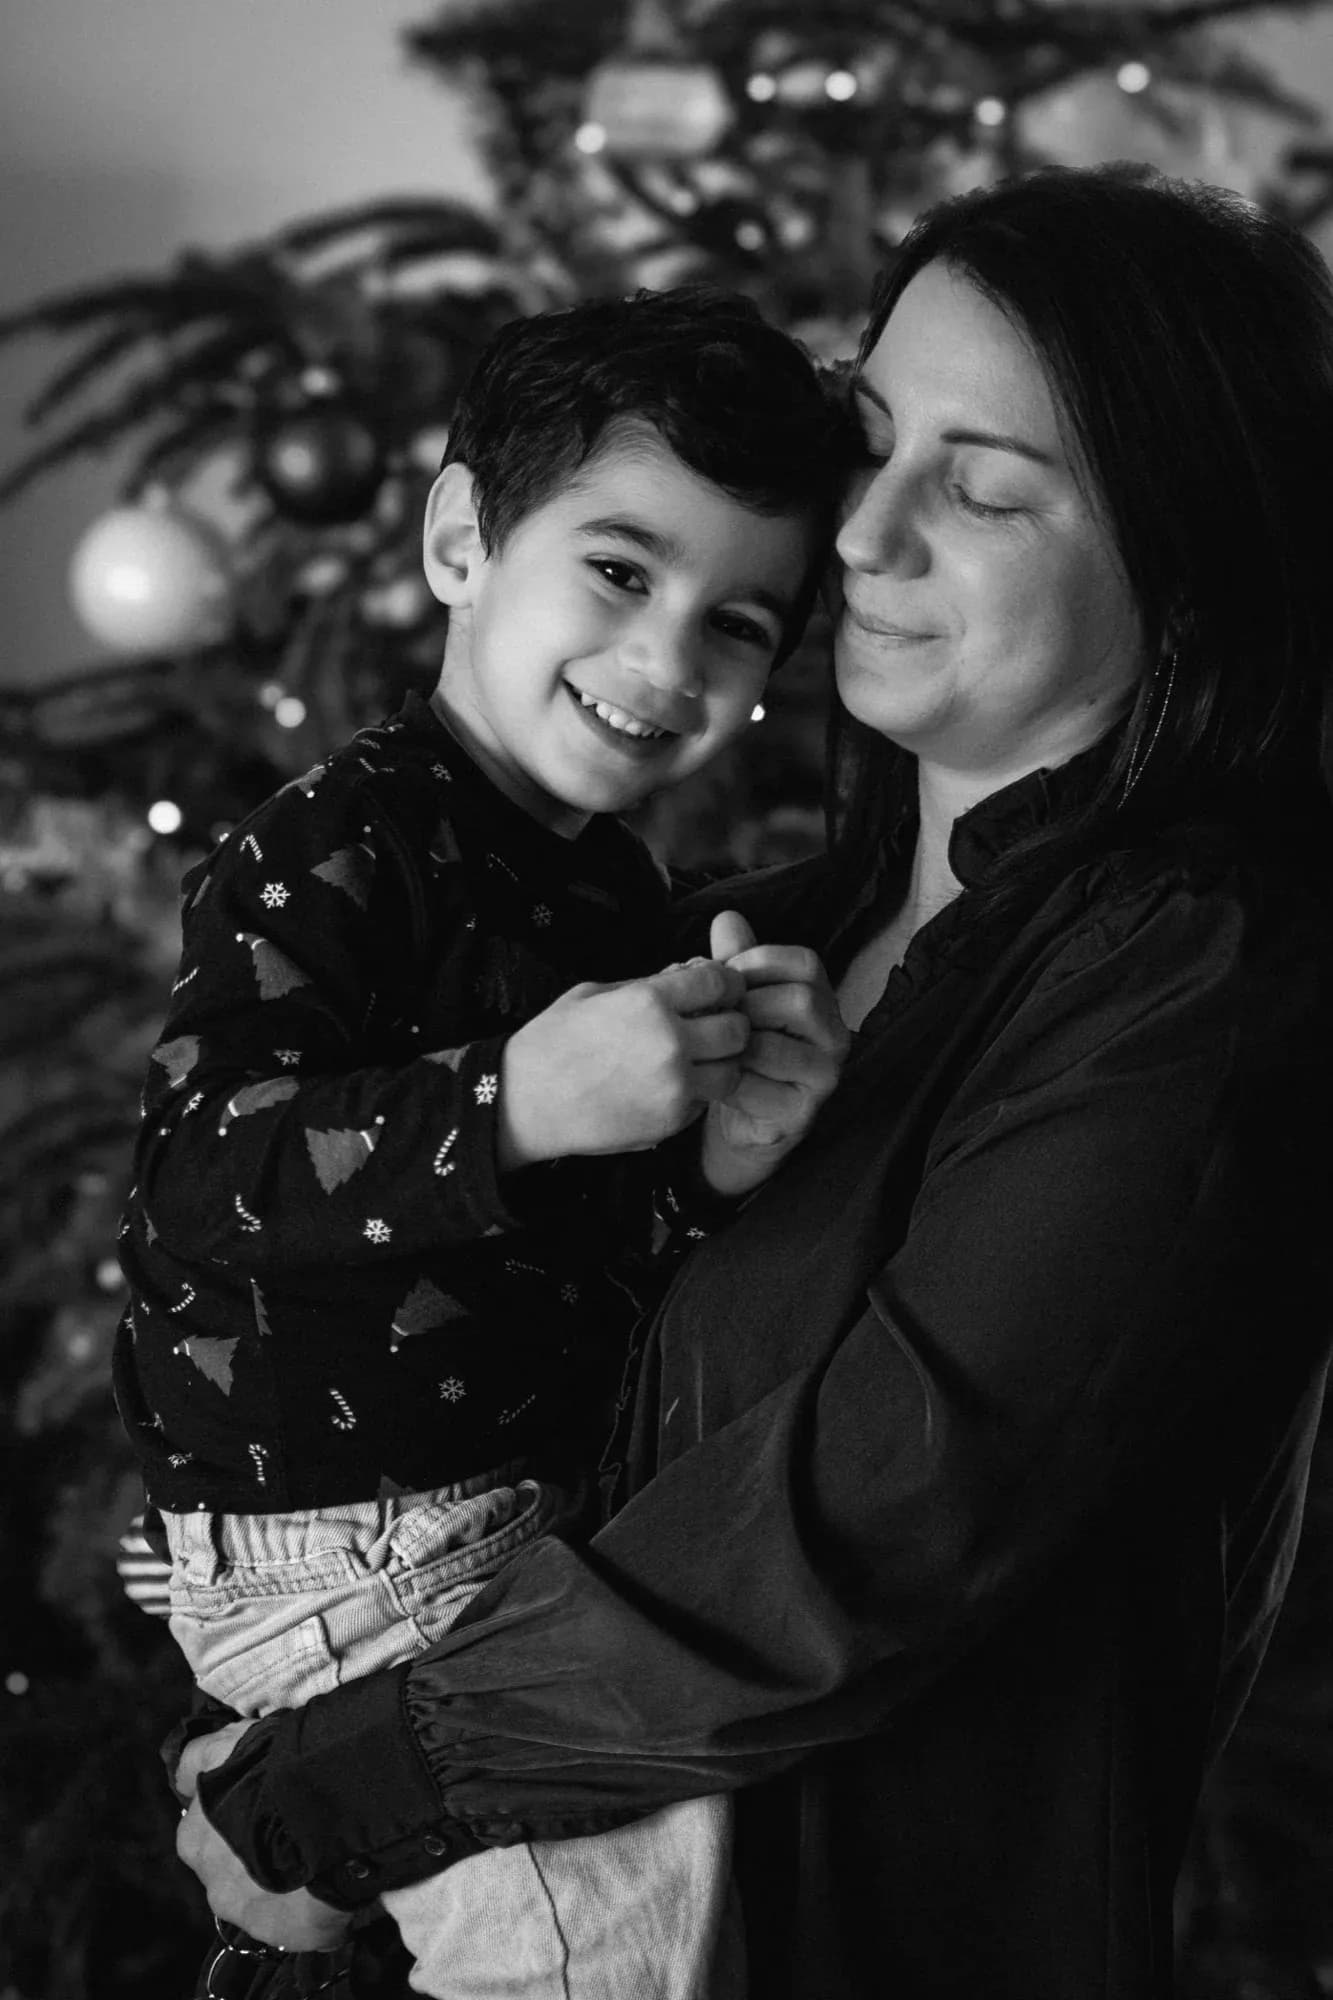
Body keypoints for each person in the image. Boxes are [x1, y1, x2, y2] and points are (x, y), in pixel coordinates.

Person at [175, 164, 1333, 2000]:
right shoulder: (738, 941)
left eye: (981, 484)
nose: (854, 536)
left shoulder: (1195, 972)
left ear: (1184, 562)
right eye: (870, 437)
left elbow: (866, 1529)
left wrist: (330, 1794)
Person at [114, 286, 852, 2000]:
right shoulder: (332, 845)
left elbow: (580, 1254)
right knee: (608, 1958)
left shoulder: (615, 892)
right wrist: (514, 1097)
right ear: (463, 540)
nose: (668, 662)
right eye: (617, 569)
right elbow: (201, 1176)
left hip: (490, 1515)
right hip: (362, 1536)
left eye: (737, 623)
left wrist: (711, 1167)